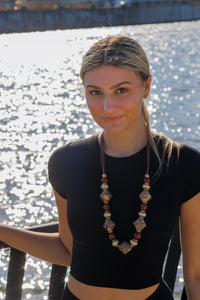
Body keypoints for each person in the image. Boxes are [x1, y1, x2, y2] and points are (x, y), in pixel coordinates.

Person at [0, 36, 200, 300]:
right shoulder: (66, 161)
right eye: (95, 92)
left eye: (121, 90)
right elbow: (68, 249)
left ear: (146, 86)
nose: (107, 107)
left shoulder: (183, 164)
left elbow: (195, 274)